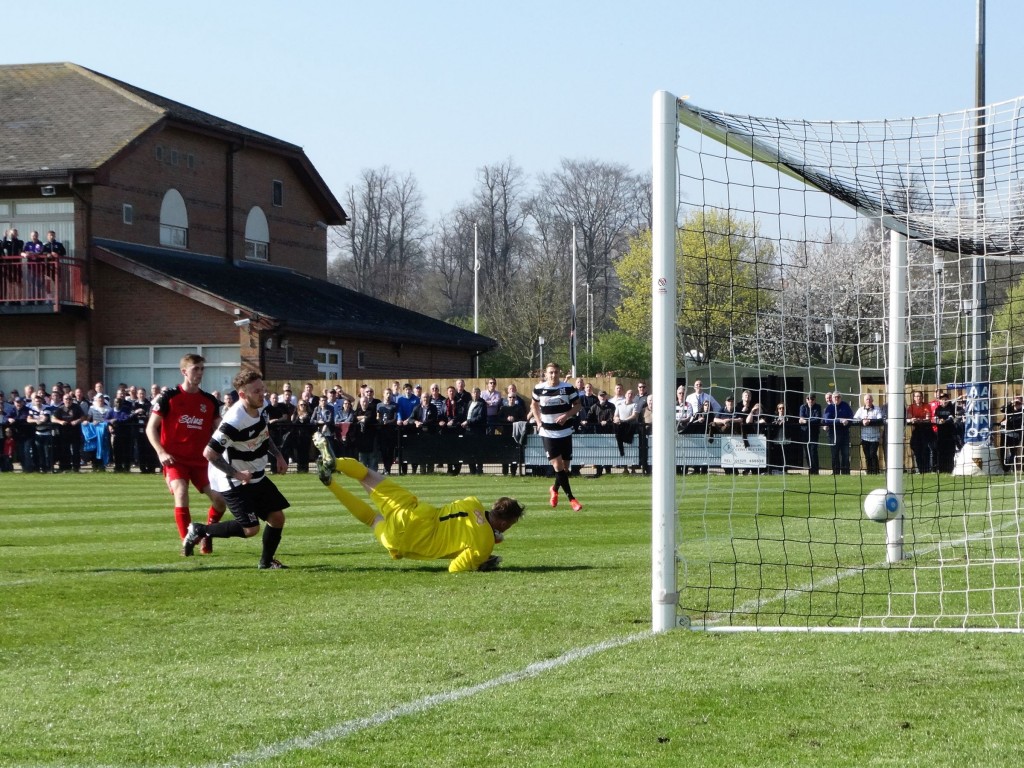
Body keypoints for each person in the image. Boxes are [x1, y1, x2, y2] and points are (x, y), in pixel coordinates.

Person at [312, 434, 523, 572]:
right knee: (371, 519)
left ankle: (336, 463)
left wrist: (486, 534)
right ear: (505, 524)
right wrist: (481, 562)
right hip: (410, 541)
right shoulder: (483, 545)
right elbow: (455, 568)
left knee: (366, 475)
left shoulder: (473, 502)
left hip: (416, 512)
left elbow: (475, 524)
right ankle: (330, 484)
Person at [182, 370, 290, 569]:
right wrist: (237, 474)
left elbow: (264, 435)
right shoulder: (234, 420)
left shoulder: (262, 407)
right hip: (233, 480)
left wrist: (279, 456)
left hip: (255, 474)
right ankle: (200, 530)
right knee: (251, 529)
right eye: (257, 391)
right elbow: (209, 453)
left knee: (277, 517)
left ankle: (266, 563)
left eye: (262, 389)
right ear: (242, 395)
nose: (262, 394)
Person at [146, 353, 227, 554]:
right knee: (181, 493)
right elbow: (150, 428)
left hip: (202, 461)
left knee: (220, 501)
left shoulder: (209, 401)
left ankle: (206, 534)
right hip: (175, 459)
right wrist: (161, 452)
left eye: (202, 369)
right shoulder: (168, 397)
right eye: (195, 369)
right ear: (184, 371)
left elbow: (221, 430)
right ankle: (187, 541)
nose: (200, 373)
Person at [531, 362, 583, 511]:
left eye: (556, 372)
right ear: (546, 374)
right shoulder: (539, 388)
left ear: (559, 373)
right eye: (551, 372)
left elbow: (578, 406)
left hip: (565, 432)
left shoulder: (567, 388)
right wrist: (539, 421)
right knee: (557, 466)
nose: (553, 375)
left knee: (565, 469)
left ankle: (554, 489)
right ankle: (572, 499)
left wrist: (566, 415)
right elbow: (533, 405)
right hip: (548, 433)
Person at [853, 394, 885, 475]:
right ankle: (869, 472)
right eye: (867, 399)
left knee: (873, 454)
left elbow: (880, 420)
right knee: (867, 455)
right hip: (864, 437)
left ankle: (875, 471)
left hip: (875, 437)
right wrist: (862, 421)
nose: (868, 401)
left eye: (870, 399)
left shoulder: (877, 409)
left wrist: (869, 421)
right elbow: (854, 420)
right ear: (864, 401)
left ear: (872, 400)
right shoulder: (860, 410)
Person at [823, 392, 854, 474]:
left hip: (845, 434)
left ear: (841, 398)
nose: (836, 398)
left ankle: (846, 473)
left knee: (845, 454)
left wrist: (847, 421)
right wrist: (839, 421)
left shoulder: (846, 406)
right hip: (833, 434)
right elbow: (827, 420)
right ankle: (836, 472)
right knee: (835, 454)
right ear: (832, 398)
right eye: (835, 397)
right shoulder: (829, 408)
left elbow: (851, 417)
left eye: (838, 397)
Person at [906, 390, 934, 474]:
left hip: (926, 430)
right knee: (916, 449)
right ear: (914, 398)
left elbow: (928, 418)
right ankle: (919, 468)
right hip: (916, 430)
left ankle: (926, 469)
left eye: (920, 396)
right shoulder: (911, 407)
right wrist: (912, 419)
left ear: (922, 397)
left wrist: (918, 419)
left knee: (926, 449)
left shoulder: (927, 406)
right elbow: (909, 418)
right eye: (916, 396)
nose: (918, 398)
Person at [931, 390, 958, 473]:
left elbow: (952, 418)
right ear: (939, 400)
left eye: (946, 399)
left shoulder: (951, 407)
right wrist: (939, 421)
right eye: (942, 399)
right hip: (940, 434)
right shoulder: (938, 409)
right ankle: (941, 469)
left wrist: (944, 421)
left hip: (950, 433)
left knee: (950, 452)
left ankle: (949, 468)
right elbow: (935, 418)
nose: (944, 401)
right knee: (941, 451)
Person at [798, 394, 823, 474]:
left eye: (812, 399)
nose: (810, 401)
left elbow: (817, 419)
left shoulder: (818, 407)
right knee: (807, 451)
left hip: (814, 433)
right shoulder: (803, 407)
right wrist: (806, 421)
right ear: (806, 400)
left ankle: (815, 471)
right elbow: (801, 418)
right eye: (809, 399)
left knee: (813, 451)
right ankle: (810, 469)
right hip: (805, 432)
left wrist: (807, 421)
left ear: (815, 400)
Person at [1001, 395, 1023, 471]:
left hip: (1015, 435)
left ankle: (1011, 467)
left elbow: (1019, 422)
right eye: (1015, 402)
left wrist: (1008, 422)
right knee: (1003, 450)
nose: (1017, 404)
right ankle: (1005, 468)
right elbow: (1002, 409)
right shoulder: (1009, 409)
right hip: (1005, 433)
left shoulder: (1022, 412)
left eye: (1018, 402)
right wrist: (1011, 402)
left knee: (1013, 452)